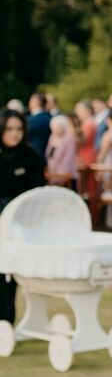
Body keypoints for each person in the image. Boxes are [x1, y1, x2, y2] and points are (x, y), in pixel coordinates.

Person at [0, 107, 46, 324]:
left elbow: (37, 193)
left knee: (10, 277)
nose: (14, 133)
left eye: (18, 129)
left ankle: (6, 322)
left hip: (20, 224)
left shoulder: (31, 157)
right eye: (9, 129)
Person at [46, 114, 79, 182]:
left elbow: (69, 158)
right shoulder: (52, 137)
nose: (55, 130)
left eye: (57, 127)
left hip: (65, 173)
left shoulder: (69, 138)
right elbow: (48, 153)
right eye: (53, 128)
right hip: (52, 171)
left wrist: (60, 173)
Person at [26, 93, 52, 158]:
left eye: (31, 100)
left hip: (31, 155)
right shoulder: (50, 118)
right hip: (47, 155)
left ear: (35, 102)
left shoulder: (30, 120)